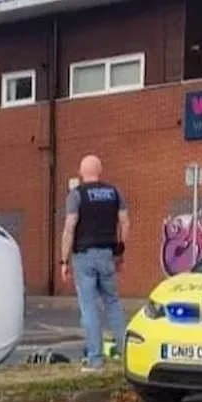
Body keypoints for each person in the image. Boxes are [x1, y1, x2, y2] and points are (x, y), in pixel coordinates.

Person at [60, 155, 130, 372]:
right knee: (113, 304)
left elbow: (70, 227)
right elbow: (125, 221)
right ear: (100, 171)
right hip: (108, 254)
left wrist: (64, 260)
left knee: (88, 307)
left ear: (81, 172)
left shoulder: (76, 195)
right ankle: (127, 356)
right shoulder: (114, 192)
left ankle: (95, 360)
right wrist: (119, 252)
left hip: (84, 256)